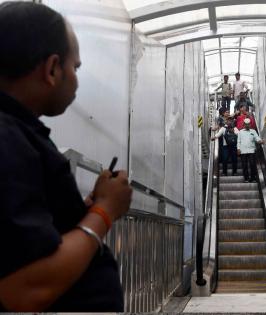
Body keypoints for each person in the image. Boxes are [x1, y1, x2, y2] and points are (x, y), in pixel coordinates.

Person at [0, 2, 132, 312]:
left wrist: (84, 209)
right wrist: (104, 211)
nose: (76, 79)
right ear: (52, 69)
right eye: (75, 68)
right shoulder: (8, 139)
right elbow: (24, 288)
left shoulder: (17, 134)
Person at [237, 118, 264, 183]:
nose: (247, 125)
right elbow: (239, 141)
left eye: (248, 124)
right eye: (246, 124)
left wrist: (260, 141)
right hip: (243, 151)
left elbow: (257, 138)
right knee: (244, 165)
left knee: (252, 164)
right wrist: (238, 149)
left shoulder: (253, 131)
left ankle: (253, 178)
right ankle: (246, 178)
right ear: (244, 124)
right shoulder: (240, 132)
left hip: (251, 150)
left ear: (250, 124)